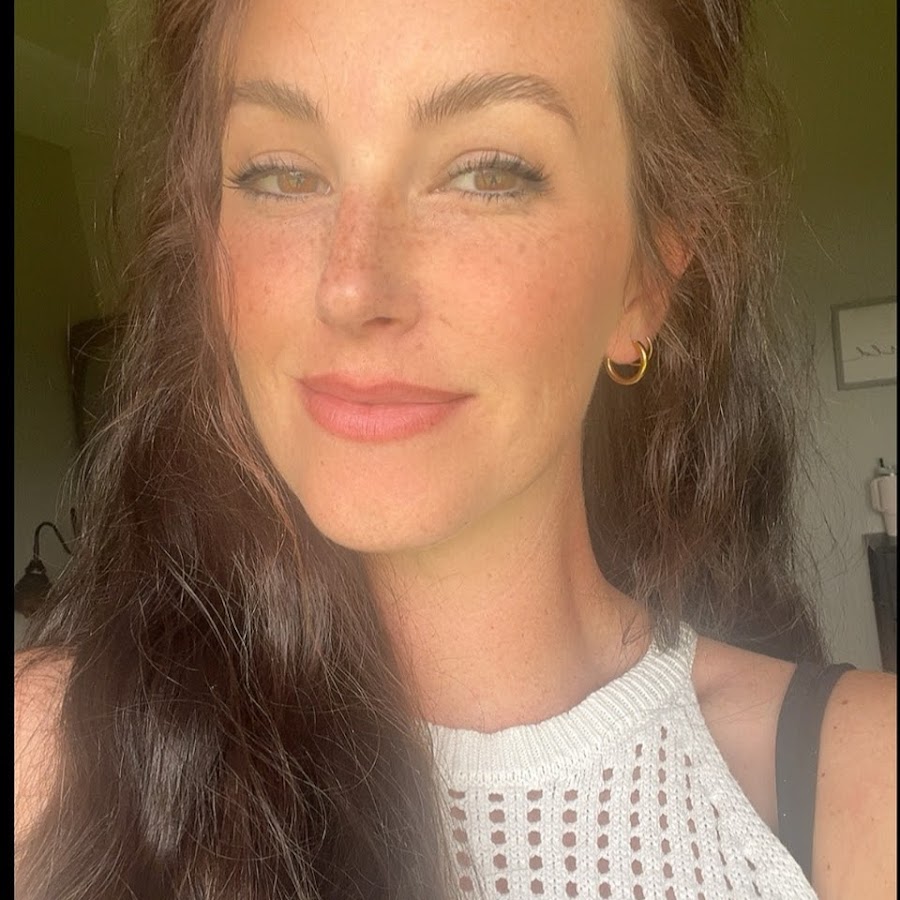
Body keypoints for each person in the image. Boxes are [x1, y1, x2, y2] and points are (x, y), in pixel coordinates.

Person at [14, 0, 896, 897]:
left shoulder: (867, 786)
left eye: (487, 173)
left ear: (647, 280)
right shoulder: (44, 758)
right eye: (280, 174)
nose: (351, 287)